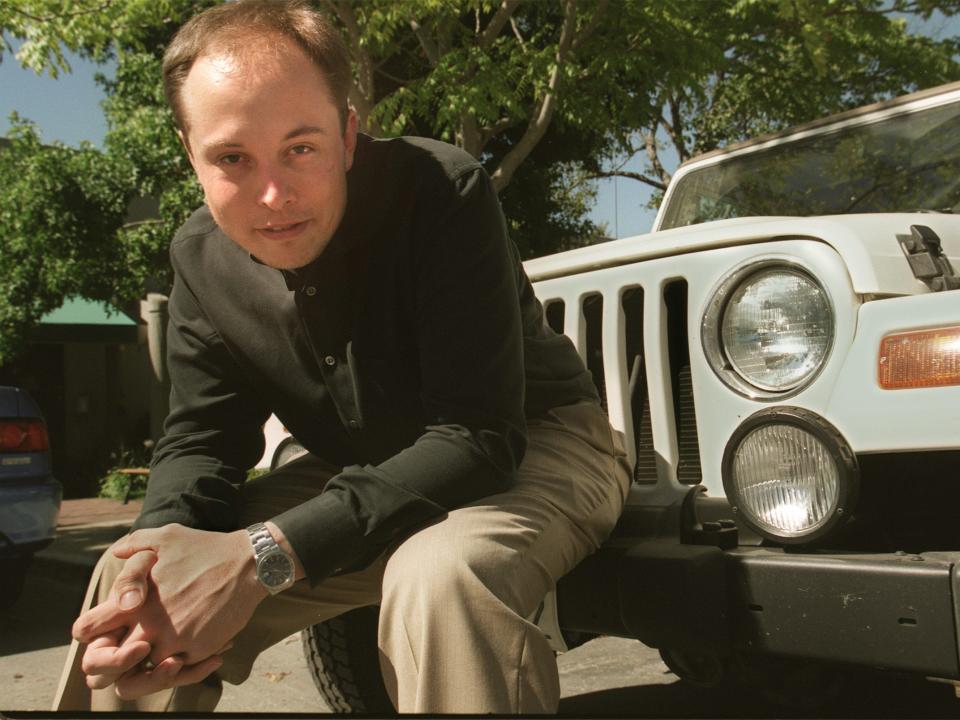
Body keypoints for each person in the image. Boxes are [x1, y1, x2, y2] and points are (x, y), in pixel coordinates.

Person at [53, 0, 630, 713]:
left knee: (442, 573)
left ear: (349, 134)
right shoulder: (199, 257)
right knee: (133, 577)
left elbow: (479, 436)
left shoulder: (440, 192)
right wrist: (157, 548)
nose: (274, 195)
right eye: (232, 157)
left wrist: (263, 554)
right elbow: (202, 437)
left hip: (532, 443)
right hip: (360, 467)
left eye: (302, 148)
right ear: (189, 152)